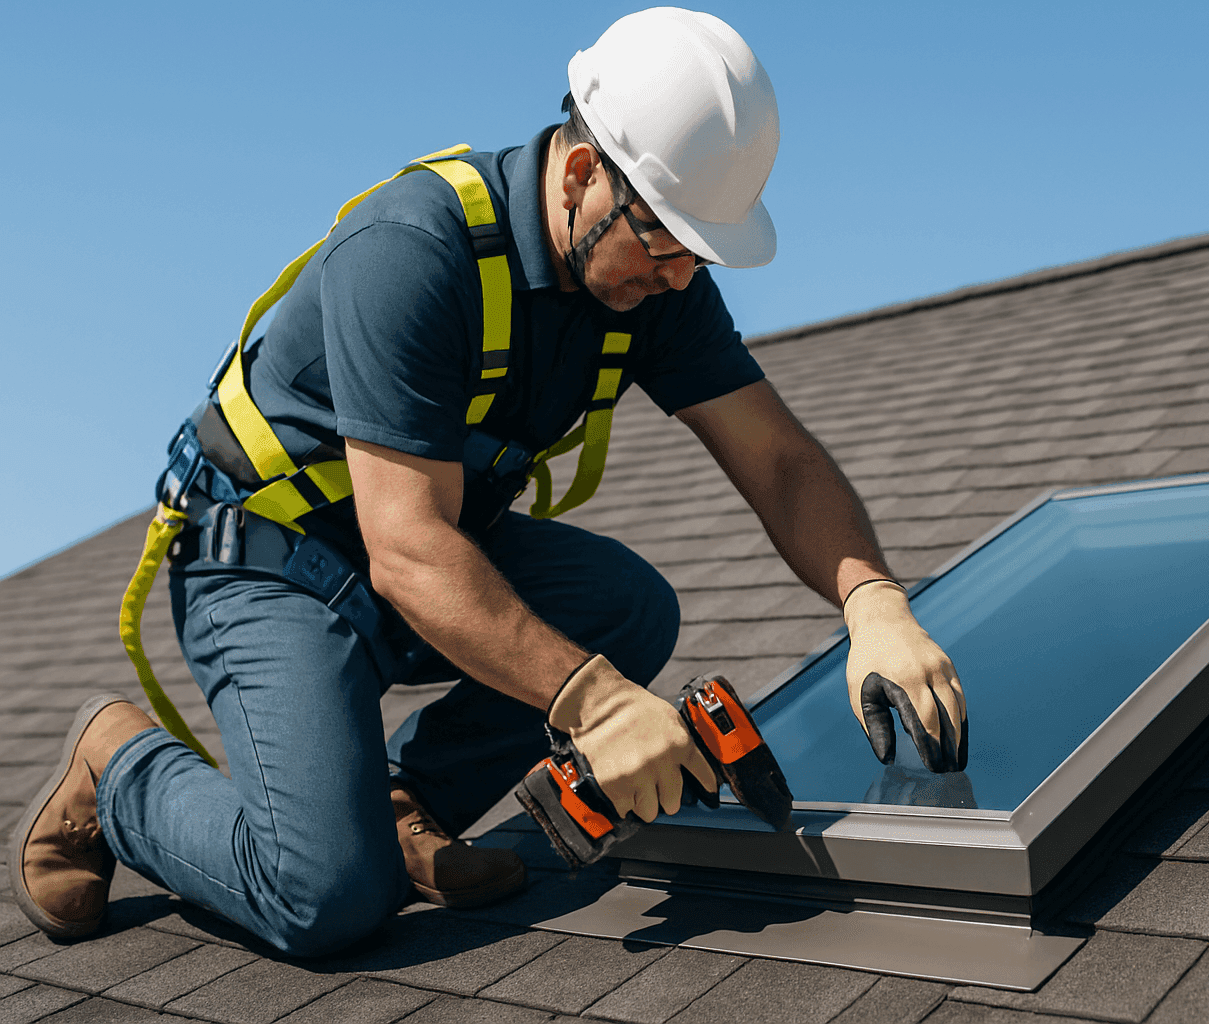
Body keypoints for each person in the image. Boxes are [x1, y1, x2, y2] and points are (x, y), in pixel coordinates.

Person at [9, 8, 967, 957]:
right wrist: (594, 704)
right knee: (325, 896)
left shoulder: (655, 283)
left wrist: (872, 599)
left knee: (625, 607)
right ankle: (116, 767)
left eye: (698, 253)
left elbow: (780, 457)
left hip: (408, 551)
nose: (680, 277)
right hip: (269, 563)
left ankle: (402, 801)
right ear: (586, 174)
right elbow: (411, 551)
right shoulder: (413, 250)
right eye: (666, 241)